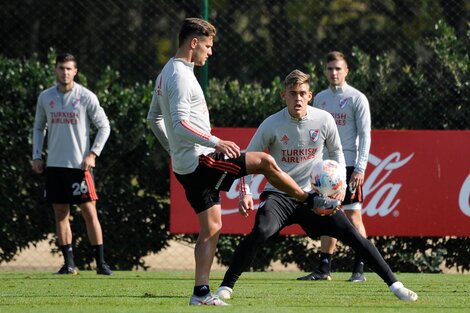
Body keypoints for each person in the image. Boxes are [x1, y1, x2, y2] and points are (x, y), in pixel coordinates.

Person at [146, 18, 338, 306]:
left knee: (212, 227)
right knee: (264, 161)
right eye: (208, 46)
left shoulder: (165, 73)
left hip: (185, 166)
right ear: (194, 43)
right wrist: (215, 142)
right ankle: (305, 199)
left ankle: (200, 293)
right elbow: (181, 122)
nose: (210, 53)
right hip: (202, 160)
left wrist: (172, 150)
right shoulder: (181, 76)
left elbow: (153, 119)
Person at [215, 69, 418, 302]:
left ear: (310, 95)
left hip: (315, 196)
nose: (298, 98)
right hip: (279, 196)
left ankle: (396, 285)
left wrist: (340, 183)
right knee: (260, 231)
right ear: (284, 96)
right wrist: (246, 192)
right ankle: (226, 286)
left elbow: (337, 152)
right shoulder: (271, 124)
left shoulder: (323, 119)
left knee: (352, 234)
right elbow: (249, 159)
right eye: (293, 93)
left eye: (302, 93)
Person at [32, 53, 113, 276]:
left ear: (75, 71)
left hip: (80, 167)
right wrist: (37, 155)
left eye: (69, 68)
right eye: (61, 68)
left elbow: (104, 126)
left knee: (89, 212)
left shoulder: (86, 97)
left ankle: (101, 264)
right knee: (60, 213)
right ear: (55, 70)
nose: (64, 72)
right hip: (55, 166)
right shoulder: (45, 97)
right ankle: (69, 264)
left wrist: (93, 154)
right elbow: (39, 127)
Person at [297, 51, 371, 283]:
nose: (334, 73)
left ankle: (359, 268)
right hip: (324, 169)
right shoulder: (319, 98)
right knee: (327, 214)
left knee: (353, 216)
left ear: (346, 71)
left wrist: (360, 168)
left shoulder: (356, 98)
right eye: (330, 69)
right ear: (325, 71)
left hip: (348, 166)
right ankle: (324, 269)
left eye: (338, 68)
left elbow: (365, 135)